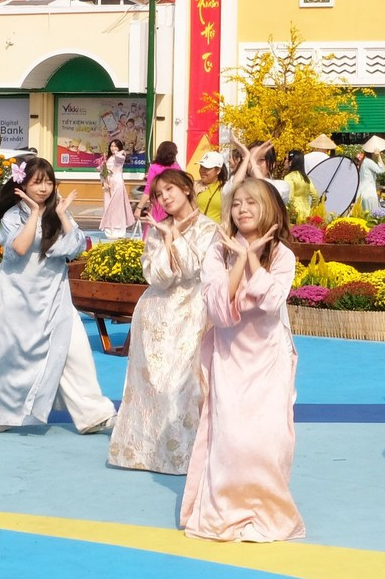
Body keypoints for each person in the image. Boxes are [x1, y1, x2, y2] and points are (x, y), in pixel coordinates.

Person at [181, 178, 302, 542]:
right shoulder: (217, 251)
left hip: (268, 357)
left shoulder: (282, 255)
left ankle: (268, 510)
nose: (243, 209)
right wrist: (239, 260)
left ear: (270, 210)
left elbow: (270, 302)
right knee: (231, 438)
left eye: (252, 203)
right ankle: (225, 510)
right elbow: (219, 309)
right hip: (230, 354)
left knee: (269, 438)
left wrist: (252, 259)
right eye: (237, 204)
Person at [0, 158, 115, 434]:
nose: (43, 188)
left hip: (54, 294)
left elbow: (74, 248)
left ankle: (93, 414)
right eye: (37, 182)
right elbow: (19, 247)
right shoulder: (13, 216)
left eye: (48, 182)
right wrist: (34, 214)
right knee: (9, 355)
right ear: (22, 183)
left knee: (75, 351)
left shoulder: (58, 212)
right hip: (16, 295)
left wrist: (63, 216)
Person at [109, 168, 219, 474]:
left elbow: (196, 267)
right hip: (156, 314)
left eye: (170, 189)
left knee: (185, 385)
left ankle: (186, 456)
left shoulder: (210, 229)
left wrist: (174, 239)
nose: (165, 197)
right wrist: (167, 236)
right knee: (151, 385)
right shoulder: (156, 230)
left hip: (192, 311)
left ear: (187, 189)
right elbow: (158, 275)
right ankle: (144, 453)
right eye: (159, 194)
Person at [97, 139, 133, 238]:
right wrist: (104, 182)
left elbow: (120, 158)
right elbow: (102, 172)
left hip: (117, 183)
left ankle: (119, 230)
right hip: (108, 185)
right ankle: (109, 229)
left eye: (115, 146)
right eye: (112, 146)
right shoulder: (108, 158)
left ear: (119, 147)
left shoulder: (120, 155)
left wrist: (120, 151)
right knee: (108, 206)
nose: (113, 148)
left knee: (117, 207)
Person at [143, 140, 180, 222]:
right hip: (173, 203)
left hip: (159, 204)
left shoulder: (154, 168)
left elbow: (148, 188)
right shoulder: (177, 168)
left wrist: (139, 207)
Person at [355, 136, 385, 216]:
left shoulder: (364, 161)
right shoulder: (368, 161)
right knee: (373, 217)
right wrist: (378, 156)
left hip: (363, 192)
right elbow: (381, 170)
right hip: (369, 193)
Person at [194, 151, 230, 221]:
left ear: (218, 170)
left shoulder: (225, 188)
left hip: (216, 230)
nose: (202, 171)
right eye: (201, 166)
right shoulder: (194, 185)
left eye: (207, 168)